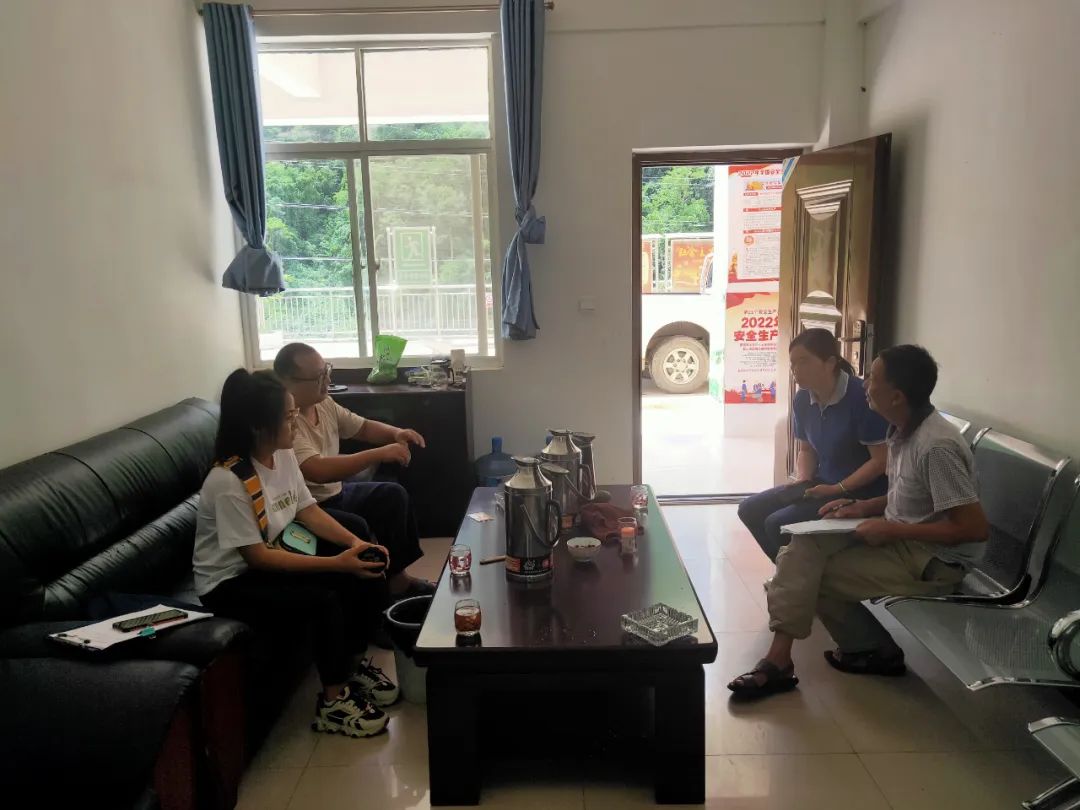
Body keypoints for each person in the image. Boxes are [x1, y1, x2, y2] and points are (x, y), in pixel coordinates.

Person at [728, 345, 989, 699]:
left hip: (935, 560)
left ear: (896, 396)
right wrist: (863, 506)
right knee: (804, 545)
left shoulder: (936, 447)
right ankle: (782, 659)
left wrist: (892, 528)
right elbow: (911, 495)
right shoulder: (903, 429)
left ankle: (869, 650)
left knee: (812, 576)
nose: (864, 384)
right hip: (902, 537)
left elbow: (973, 528)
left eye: (874, 379)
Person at [193, 369, 399, 738]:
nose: (296, 422)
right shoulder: (229, 481)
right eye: (288, 417)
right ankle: (333, 704)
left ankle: (351, 667)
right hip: (231, 581)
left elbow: (306, 509)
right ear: (258, 426)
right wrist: (334, 563)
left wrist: (354, 545)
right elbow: (257, 558)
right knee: (323, 598)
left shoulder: (282, 452)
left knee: (360, 563)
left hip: (276, 547)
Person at [273, 343, 432, 600]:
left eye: (327, 371)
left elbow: (362, 427)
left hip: (337, 493)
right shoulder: (286, 422)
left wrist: (396, 433)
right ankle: (375, 602)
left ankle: (397, 581)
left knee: (393, 496)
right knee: (357, 527)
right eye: (318, 378)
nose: (327, 381)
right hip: (309, 506)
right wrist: (378, 454)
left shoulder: (324, 403)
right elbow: (317, 471)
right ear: (287, 382)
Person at [738, 329, 889, 561]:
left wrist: (837, 488)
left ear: (830, 363)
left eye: (804, 361)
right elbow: (806, 450)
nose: (795, 370)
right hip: (821, 483)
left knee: (777, 524)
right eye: (793, 363)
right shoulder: (803, 398)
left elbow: (880, 461)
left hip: (861, 490)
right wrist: (803, 480)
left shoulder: (862, 397)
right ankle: (788, 570)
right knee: (749, 509)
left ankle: (796, 573)